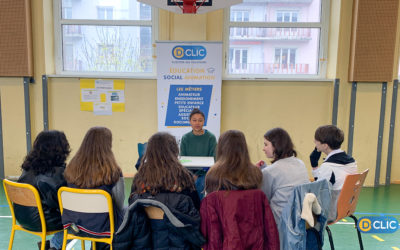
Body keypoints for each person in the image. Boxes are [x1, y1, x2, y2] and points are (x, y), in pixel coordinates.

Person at [201, 130, 279, 249]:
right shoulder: (255, 173)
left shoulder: (212, 175)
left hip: (225, 242)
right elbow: (268, 226)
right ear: (244, 148)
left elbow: (209, 224)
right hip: (254, 242)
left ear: (221, 148)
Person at [126, 132, 204, 249]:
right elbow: (195, 209)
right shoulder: (184, 177)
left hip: (146, 240)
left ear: (149, 151)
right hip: (178, 241)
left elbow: (132, 206)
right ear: (174, 151)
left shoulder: (139, 178)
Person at [63, 127, 124, 250]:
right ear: (108, 145)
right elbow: (119, 202)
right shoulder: (114, 172)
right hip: (103, 228)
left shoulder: (70, 168)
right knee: (129, 212)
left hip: (75, 226)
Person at [15, 130, 70, 250]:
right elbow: (61, 203)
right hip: (42, 220)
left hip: (22, 218)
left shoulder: (28, 168)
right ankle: (54, 246)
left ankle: (50, 245)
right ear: (60, 149)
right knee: (79, 220)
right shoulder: (53, 174)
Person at [257, 127, 310, 224]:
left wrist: (259, 174)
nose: (263, 148)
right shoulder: (300, 163)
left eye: (266, 145)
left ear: (276, 146)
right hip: (300, 220)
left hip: (278, 223)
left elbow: (262, 199)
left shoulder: (270, 172)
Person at [310, 125, 358, 221]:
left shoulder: (328, 166)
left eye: (316, 141)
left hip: (331, 212)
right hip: (346, 208)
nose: (314, 142)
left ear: (325, 145)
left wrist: (314, 165)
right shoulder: (352, 161)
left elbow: (317, 192)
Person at [180, 108, 217, 199]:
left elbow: (213, 159)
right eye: (194, 120)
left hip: (206, 172)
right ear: (190, 122)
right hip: (189, 172)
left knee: (200, 183)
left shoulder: (210, 137)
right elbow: (183, 160)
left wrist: (198, 174)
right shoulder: (185, 138)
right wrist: (191, 175)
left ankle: (202, 210)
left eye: (200, 120)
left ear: (204, 121)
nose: (197, 123)